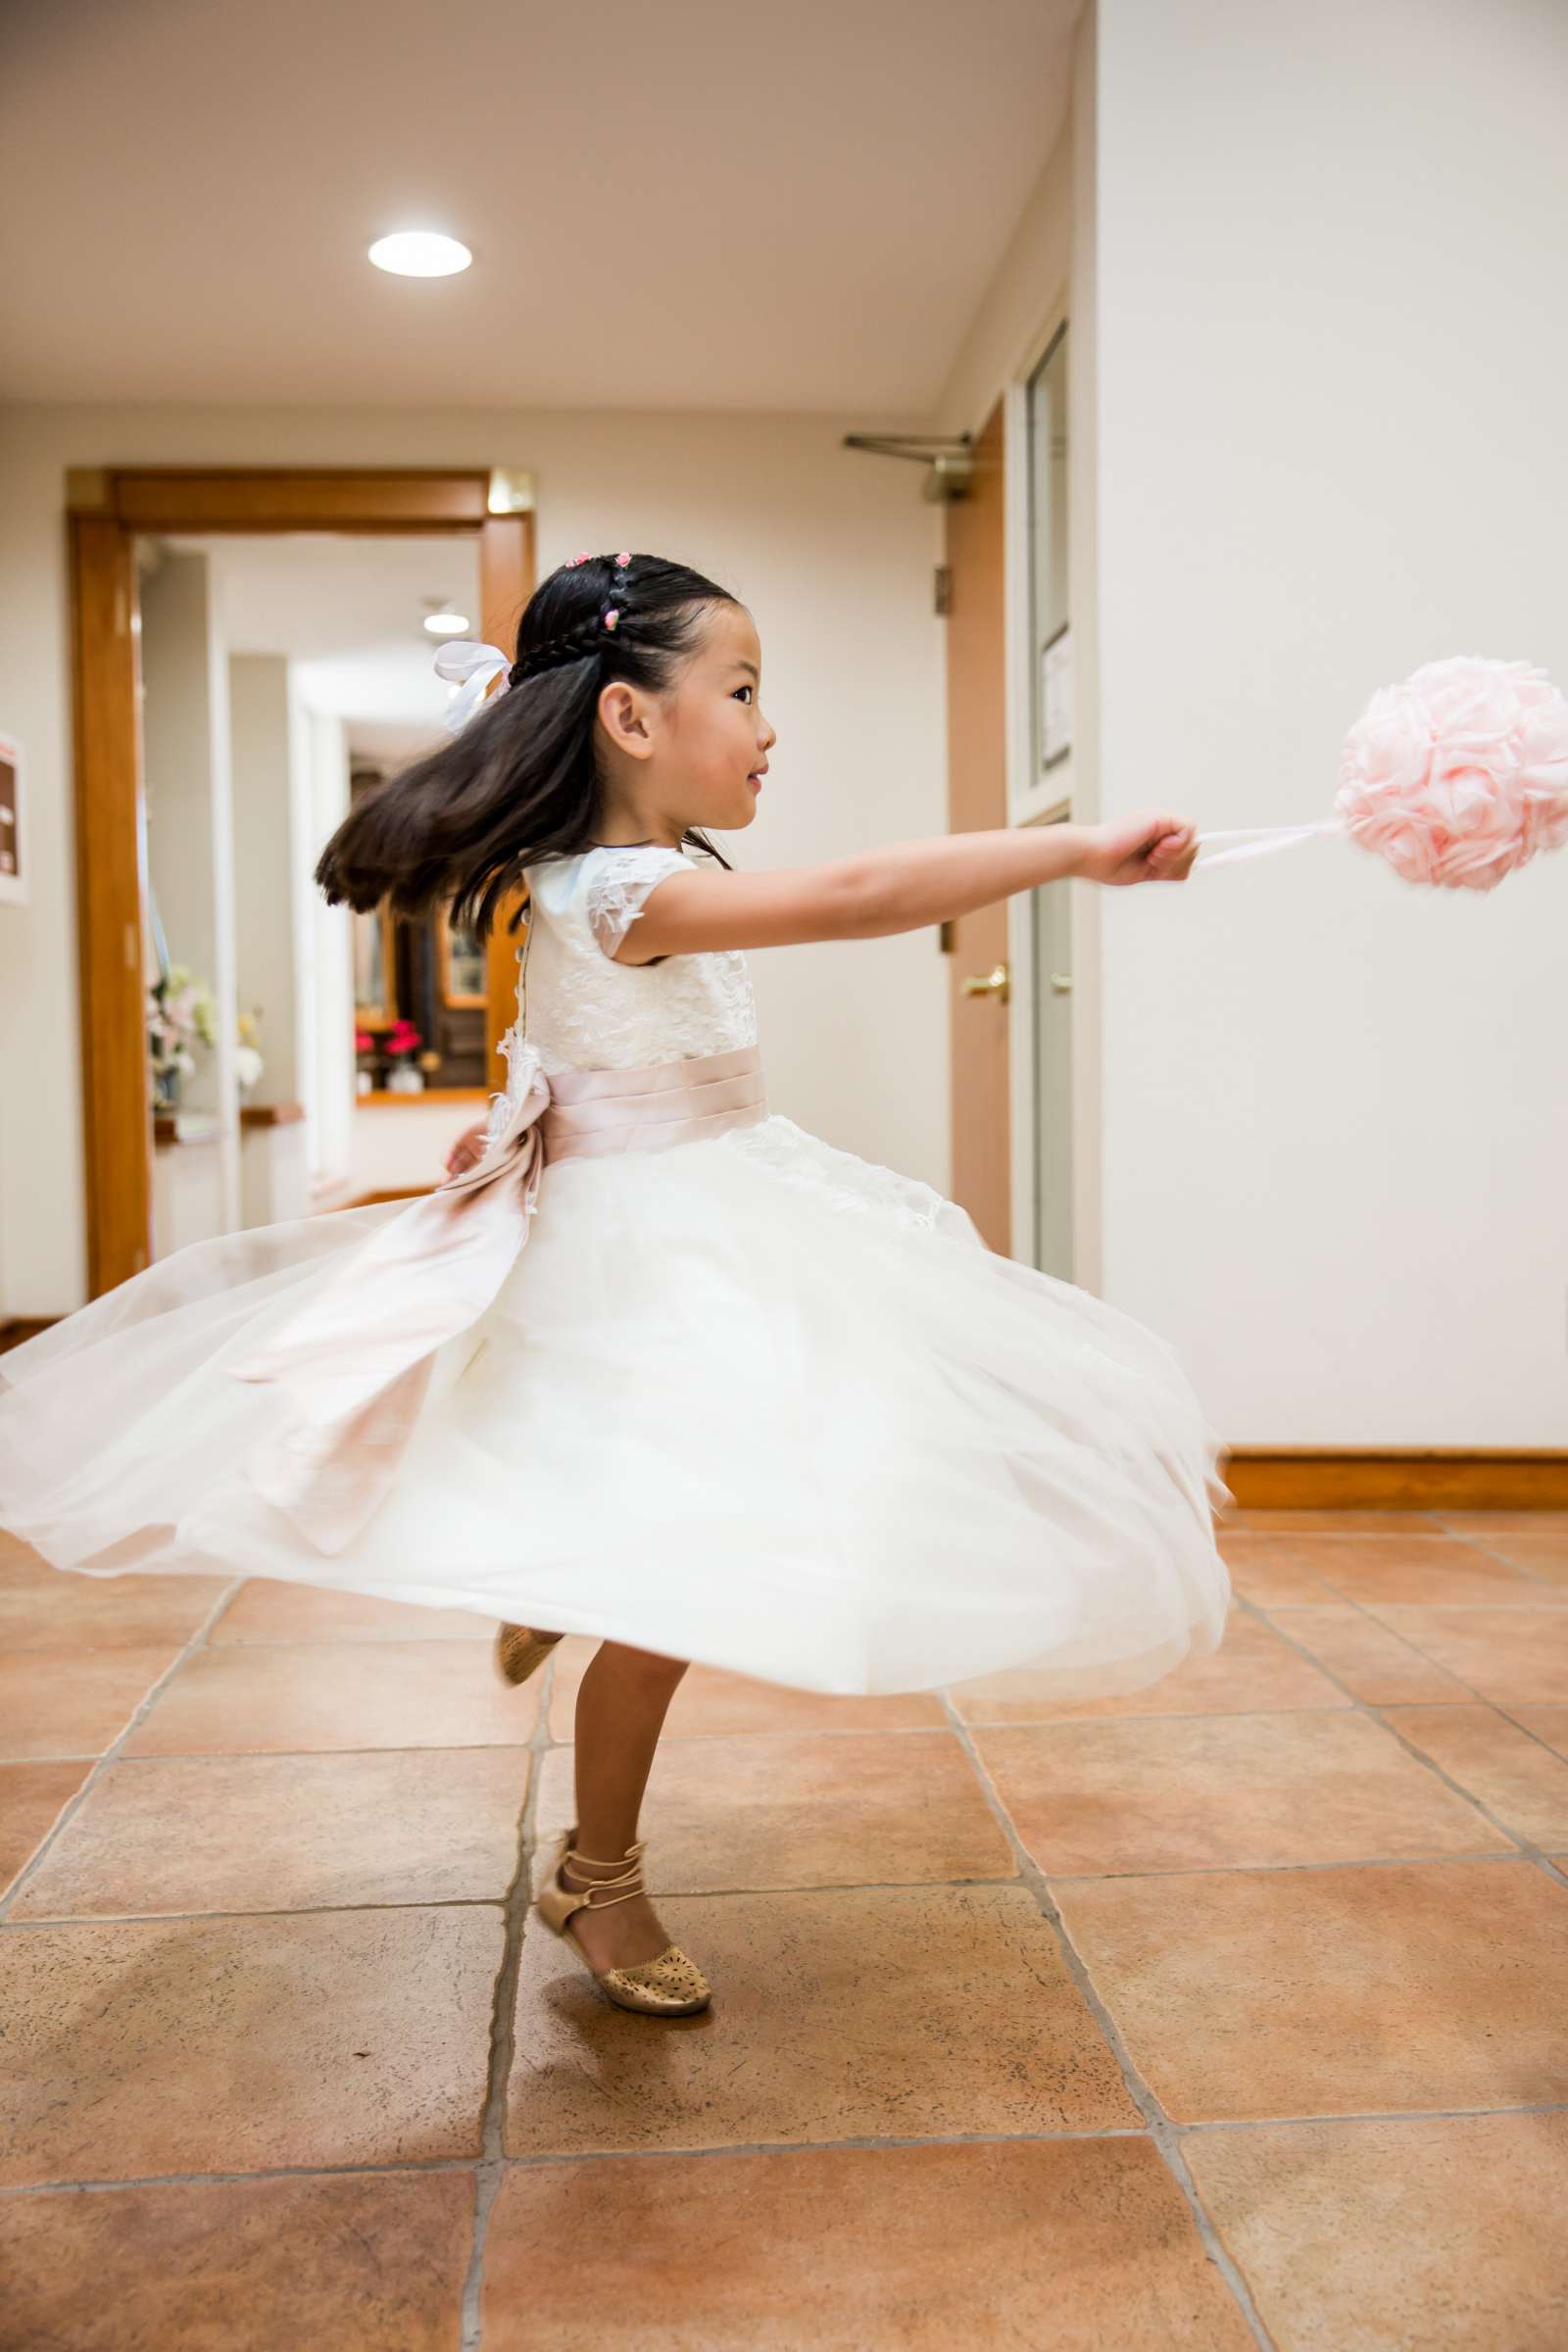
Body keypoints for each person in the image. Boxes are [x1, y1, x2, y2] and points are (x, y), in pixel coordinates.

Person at [0, 550, 1231, 2020]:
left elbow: (573, 1041)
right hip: (658, 1243)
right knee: (680, 1577)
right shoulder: (619, 886)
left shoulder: (619, 882)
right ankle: (597, 1868)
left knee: (723, 1491)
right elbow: (858, 894)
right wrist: (1073, 849)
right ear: (635, 721)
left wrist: (533, 1103)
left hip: (716, 1200)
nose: (771, 728)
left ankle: (564, 1580)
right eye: (747, 690)